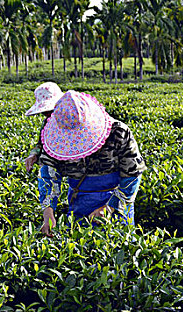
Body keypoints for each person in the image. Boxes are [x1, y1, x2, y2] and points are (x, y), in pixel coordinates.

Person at [34, 90, 146, 235]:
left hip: (116, 203)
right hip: (80, 202)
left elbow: (133, 175)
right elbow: (48, 173)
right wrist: (48, 210)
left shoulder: (119, 133)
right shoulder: (55, 135)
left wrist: (109, 209)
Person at [24, 82, 64, 173]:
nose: (46, 114)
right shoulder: (47, 123)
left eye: (50, 110)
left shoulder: (73, 123)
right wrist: (33, 155)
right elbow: (41, 144)